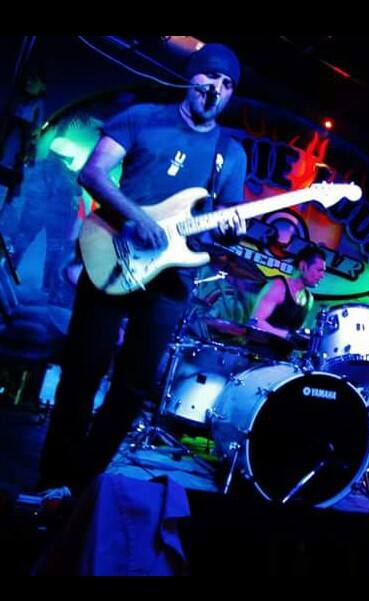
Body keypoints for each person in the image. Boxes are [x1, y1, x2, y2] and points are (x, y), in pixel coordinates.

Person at [38, 43, 247, 500]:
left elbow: (223, 220)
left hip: (171, 277)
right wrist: (136, 217)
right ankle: (51, 478)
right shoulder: (142, 118)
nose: (217, 88)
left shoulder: (230, 153)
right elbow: (93, 173)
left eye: (228, 84)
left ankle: (82, 482)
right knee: (83, 370)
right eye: (211, 76)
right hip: (114, 252)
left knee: (134, 386)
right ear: (192, 77)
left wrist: (232, 230)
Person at [251, 245, 327, 340]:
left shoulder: (309, 299)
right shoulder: (278, 287)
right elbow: (256, 322)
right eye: (319, 270)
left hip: (284, 349)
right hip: (259, 347)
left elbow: (296, 331)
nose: (322, 276)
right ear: (303, 266)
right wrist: (287, 336)